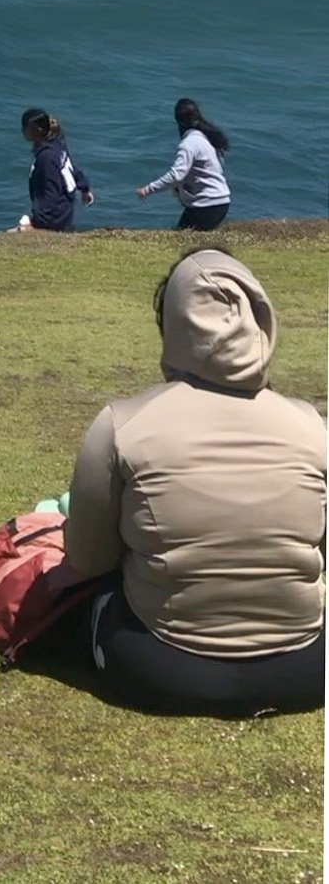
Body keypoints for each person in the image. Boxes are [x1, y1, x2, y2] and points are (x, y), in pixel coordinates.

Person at [63, 249, 325, 715]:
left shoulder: (122, 423)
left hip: (164, 670)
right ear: (260, 320)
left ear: (175, 328)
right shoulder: (311, 424)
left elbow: (87, 561)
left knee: (94, 594)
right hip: (307, 671)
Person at [136, 97, 231, 230]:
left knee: (180, 239)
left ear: (179, 122)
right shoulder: (209, 138)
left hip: (206, 205)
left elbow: (176, 176)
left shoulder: (189, 143)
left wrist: (148, 190)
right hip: (222, 202)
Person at [15, 108, 94, 232]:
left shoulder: (47, 157)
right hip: (64, 215)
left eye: (25, 127)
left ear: (37, 130)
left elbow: (50, 194)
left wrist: (36, 224)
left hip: (54, 220)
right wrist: (85, 188)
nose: (22, 130)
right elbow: (72, 169)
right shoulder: (57, 146)